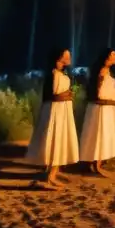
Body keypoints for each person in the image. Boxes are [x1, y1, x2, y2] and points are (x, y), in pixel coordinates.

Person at [26, 48, 78, 189]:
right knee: (55, 139)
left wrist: (68, 95)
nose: (69, 57)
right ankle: (49, 177)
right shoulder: (54, 73)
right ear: (59, 57)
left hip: (62, 110)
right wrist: (68, 95)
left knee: (59, 140)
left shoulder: (62, 72)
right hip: (56, 110)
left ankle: (52, 174)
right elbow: (54, 94)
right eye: (66, 55)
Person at [79, 50, 115, 176]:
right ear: (107, 57)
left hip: (107, 108)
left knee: (102, 135)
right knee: (101, 135)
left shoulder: (107, 71)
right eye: (113, 54)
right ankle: (97, 165)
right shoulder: (102, 71)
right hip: (102, 108)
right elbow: (98, 91)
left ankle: (96, 164)